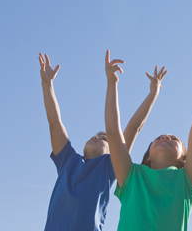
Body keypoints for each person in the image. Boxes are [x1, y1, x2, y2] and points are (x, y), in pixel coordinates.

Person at [39, 53, 166, 231]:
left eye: (104, 138)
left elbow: (133, 128)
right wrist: (47, 85)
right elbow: (54, 122)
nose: (96, 137)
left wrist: (153, 93)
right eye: (96, 136)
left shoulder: (109, 166)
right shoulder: (68, 160)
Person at [105, 47, 192, 231]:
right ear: (148, 156)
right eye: (159, 138)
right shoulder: (131, 177)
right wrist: (112, 84)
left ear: (184, 158)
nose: (166, 137)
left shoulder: (186, 181)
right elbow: (117, 132)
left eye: (174, 139)